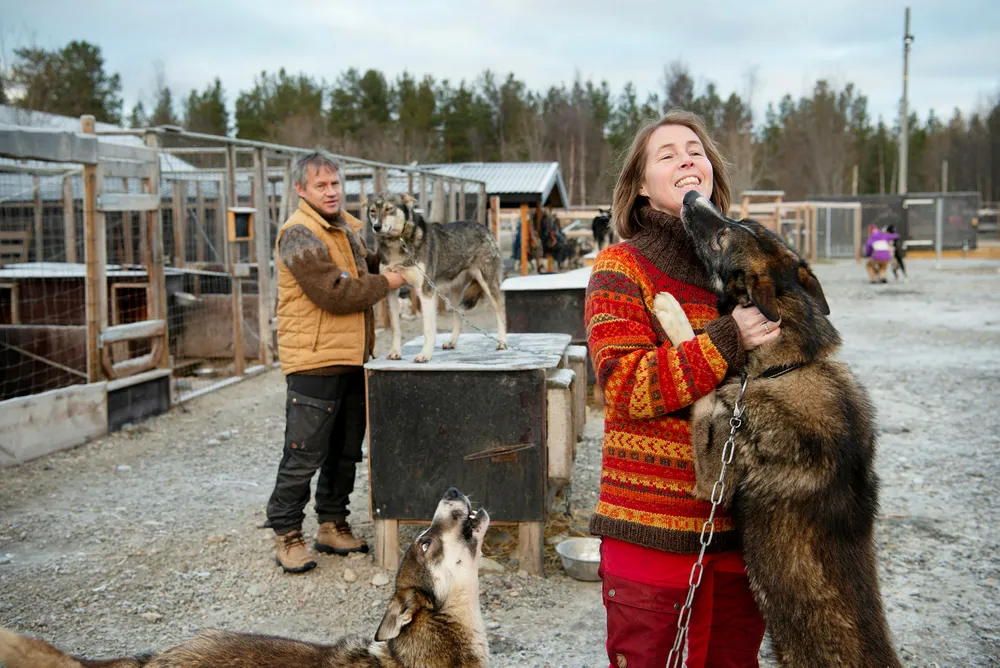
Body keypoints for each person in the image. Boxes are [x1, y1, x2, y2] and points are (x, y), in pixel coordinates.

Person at [585, 110, 781, 667]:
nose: (686, 160)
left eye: (695, 151)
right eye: (666, 154)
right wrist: (728, 338)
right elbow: (626, 386)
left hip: (743, 534)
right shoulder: (621, 268)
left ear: (712, 172)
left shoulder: (745, 269)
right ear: (641, 186)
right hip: (652, 532)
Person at [265, 151, 406, 573]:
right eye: (321, 185)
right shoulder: (299, 234)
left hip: (352, 357)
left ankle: (332, 523)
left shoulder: (345, 228)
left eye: (335, 184)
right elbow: (335, 293)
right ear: (301, 190)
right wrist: (388, 282)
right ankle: (287, 532)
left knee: (345, 452)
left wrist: (399, 254)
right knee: (304, 453)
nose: (331, 192)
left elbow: (363, 269)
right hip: (314, 361)